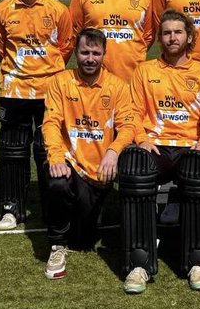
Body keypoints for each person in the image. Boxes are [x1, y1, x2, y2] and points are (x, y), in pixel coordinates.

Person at [118, 10, 200, 293]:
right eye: (167, 33)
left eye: (178, 32)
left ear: (189, 37)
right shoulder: (145, 70)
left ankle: (197, 261)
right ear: (160, 38)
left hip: (190, 146)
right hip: (156, 146)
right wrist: (141, 139)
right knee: (135, 167)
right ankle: (139, 262)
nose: (172, 37)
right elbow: (132, 112)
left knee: (198, 171)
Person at [41, 28, 135, 281]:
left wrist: (113, 152)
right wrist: (56, 157)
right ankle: (57, 245)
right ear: (75, 52)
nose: (90, 58)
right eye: (84, 52)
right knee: (57, 183)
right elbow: (50, 122)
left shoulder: (117, 86)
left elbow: (128, 127)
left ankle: (84, 220)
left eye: (96, 53)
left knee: (84, 240)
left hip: (100, 170)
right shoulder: (60, 82)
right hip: (70, 162)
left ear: (104, 54)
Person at [0, 0, 74, 230]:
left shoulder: (58, 10)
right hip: (14, 89)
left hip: (49, 90)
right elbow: (1, 49)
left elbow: (65, 48)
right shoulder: (3, 9)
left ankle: (49, 204)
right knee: (13, 151)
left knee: (46, 149)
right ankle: (11, 207)